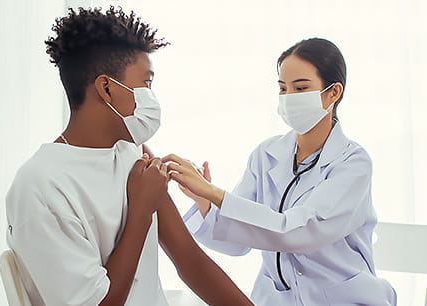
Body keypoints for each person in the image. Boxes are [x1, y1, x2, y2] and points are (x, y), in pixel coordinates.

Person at [5, 6, 253, 306]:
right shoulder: (41, 186)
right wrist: (141, 211)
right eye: (146, 83)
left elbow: (189, 260)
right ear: (107, 88)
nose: (152, 95)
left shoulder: (131, 154)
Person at [163, 38, 397, 305]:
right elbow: (237, 243)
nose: (288, 98)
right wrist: (204, 201)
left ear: (333, 93)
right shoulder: (266, 154)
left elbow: (299, 232)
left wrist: (215, 193)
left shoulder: (353, 163)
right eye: (283, 88)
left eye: (301, 88)